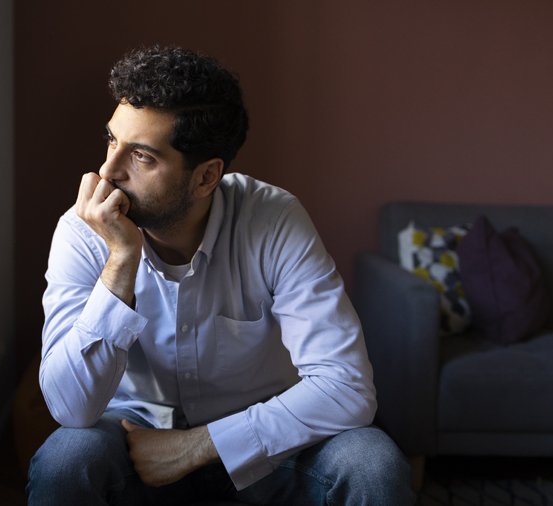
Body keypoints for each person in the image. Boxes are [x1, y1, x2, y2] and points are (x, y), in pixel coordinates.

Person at [27, 45, 414, 505]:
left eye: (142, 157)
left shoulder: (273, 220)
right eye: (112, 141)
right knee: (64, 462)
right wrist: (121, 261)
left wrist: (198, 446)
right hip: (135, 441)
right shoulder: (82, 230)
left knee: (372, 463)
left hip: (266, 447)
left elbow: (347, 387)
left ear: (207, 177)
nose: (108, 172)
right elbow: (70, 409)